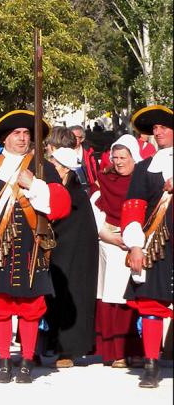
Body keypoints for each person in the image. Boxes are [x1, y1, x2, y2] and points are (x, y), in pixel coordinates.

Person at [0, 110, 72, 384]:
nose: (22, 138)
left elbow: (61, 205)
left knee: (30, 306)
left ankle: (26, 361)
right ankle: (3, 360)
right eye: (16, 134)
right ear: (4, 138)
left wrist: (33, 184)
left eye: (26, 134)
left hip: (32, 248)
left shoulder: (43, 168)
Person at [120, 105, 173, 389]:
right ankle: (151, 364)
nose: (158, 132)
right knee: (151, 303)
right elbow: (133, 209)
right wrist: (135, 247)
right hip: (157, 244)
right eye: (155, 128)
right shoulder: (143, 169)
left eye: (164, 127)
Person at [90, 134, 144, 368]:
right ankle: (115, 351)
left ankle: (136, 350)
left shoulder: (142, 180)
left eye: (123, 157)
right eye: (115, 157)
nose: (119, 162)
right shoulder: (104, 181)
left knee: (135, 297)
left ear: (134, 158)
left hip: (138, 243)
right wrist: (109, 237)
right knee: (112, 296)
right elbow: (94, 212)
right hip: (110, 244)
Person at [44, 147, 98, 367]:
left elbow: (76, 228)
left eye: (55, 164)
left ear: (66, 169)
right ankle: (42, 346)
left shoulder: (77, 195)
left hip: (74, 253)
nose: (51, 168)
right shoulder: (51, 188)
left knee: (70, 296)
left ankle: (68, 350)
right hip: (54, 251)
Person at [71, 124, 99, 188]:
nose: (72, 139)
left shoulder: (90, 152)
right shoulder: (65, 152)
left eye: (75, 137)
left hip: (90, 187)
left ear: (82, 139)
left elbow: (97, 171)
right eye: (70, 136)